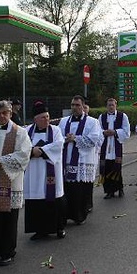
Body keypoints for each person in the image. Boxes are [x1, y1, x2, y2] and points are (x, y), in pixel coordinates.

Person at [0, 101, 31, 266]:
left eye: (5, 113)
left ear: (10, 113)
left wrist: (1, 161)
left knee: (8, 219)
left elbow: (24, 154)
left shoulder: (20, 133)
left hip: (10, 181)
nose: (2, 116)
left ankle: (7, 251)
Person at [23, 101, 66, 240]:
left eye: (47, 116)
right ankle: (40, 230)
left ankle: (59, 228)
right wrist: (31, 151)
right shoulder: (26, 131)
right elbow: (20, 148)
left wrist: (41, 151)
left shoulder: (56, 130)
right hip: (33, 173)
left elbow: (59, 145)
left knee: (54, 199)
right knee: (36, 202)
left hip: (51, 171)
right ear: (35, 119)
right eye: (43, 117)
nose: (46, 119)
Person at [58, 95, 102, 225]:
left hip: (82, 160)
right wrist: (65, 139)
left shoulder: (92, 122)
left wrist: (75, 138)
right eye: (72, 105)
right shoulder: (64, 121)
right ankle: (66, 215)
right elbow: (57, 137)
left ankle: (79, 215)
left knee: (79, 190)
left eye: (77, 105)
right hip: (66, 160)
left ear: (83, 106)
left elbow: (93, 139)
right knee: (67, 189)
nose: (75, 107)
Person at [98, 98, 130, 199]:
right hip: (105, 145)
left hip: (116, 145)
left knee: (116, 168)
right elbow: (98, 130)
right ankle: (109, 191)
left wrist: (115, 132)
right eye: (109, 105)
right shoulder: (101, 117)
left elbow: (126, 131)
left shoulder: (122, 116)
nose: (111, 107)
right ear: (106, 106)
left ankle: (119, 188)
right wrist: (104, 132)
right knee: (106, 169)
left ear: (116, 105)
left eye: (112, 105)